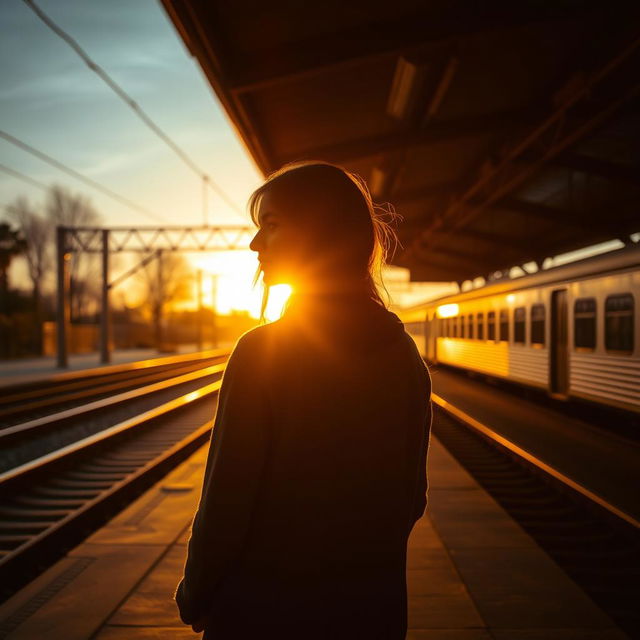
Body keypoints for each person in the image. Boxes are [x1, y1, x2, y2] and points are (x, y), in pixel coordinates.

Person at [175, 161, 432, 639]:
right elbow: (411, 498)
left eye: (270, 226)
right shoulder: (404, 357)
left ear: (319, 235)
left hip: (261, 615)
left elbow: (226, 504)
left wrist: (196, 595)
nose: (254, 244)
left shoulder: (263, 354)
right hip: (370, 613)